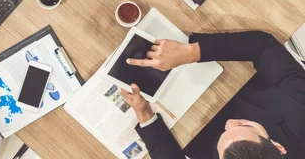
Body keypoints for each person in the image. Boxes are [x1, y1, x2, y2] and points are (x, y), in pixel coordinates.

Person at [119, 31, 305, 159]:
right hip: (231, 74)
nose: (229, 123)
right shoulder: (300, 104)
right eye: (244, 125)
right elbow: (263, 46)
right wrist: (190, 52)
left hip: (188, 124)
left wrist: (145, 116)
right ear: (279, 147)